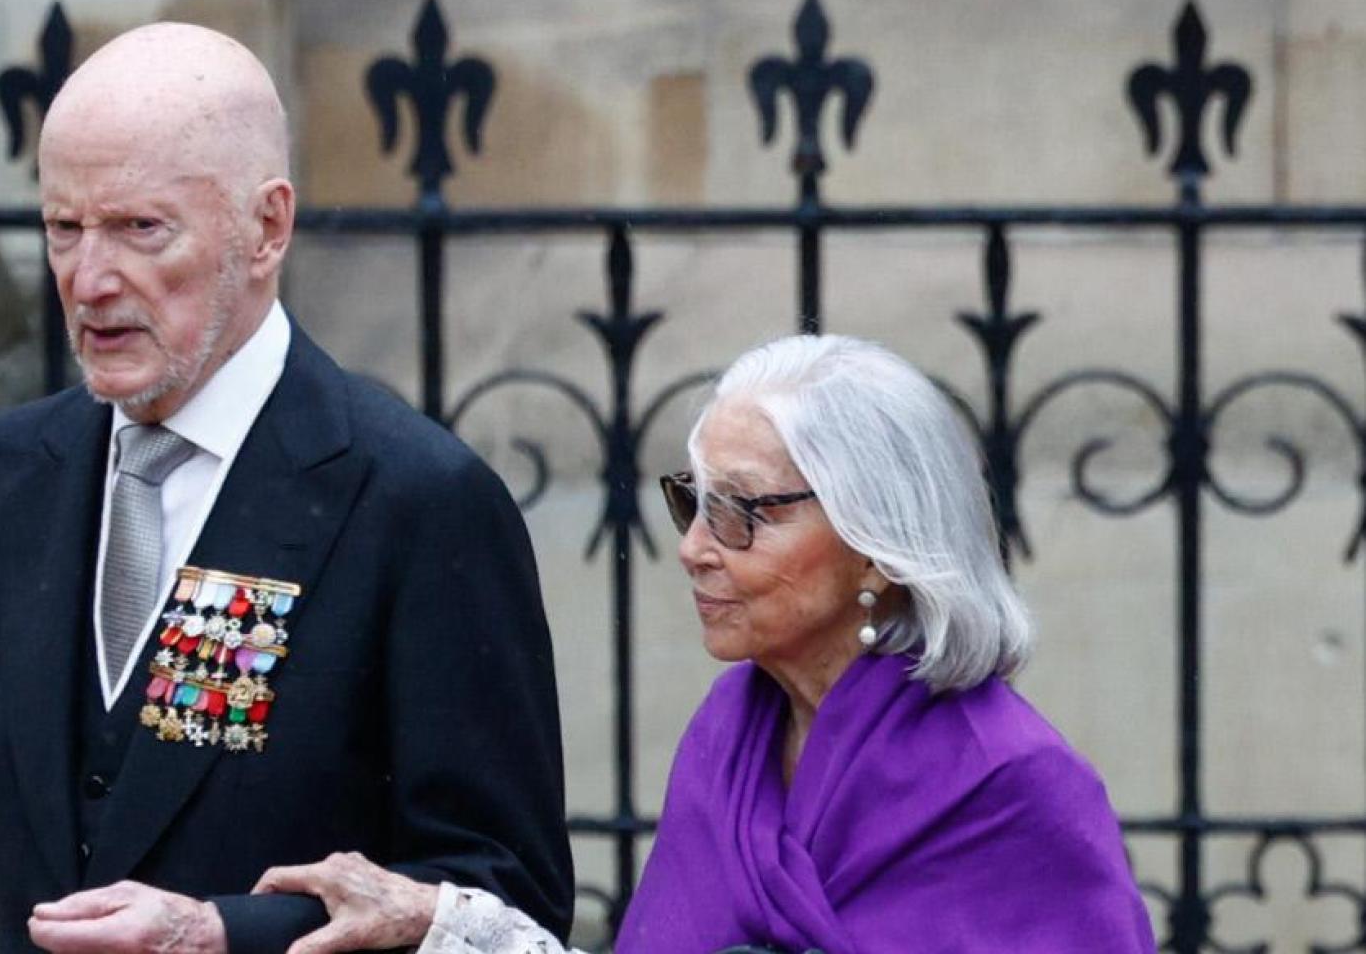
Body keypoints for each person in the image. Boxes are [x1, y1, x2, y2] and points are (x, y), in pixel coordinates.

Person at [0, 23, 572, 954]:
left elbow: (505, 908)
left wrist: (225, 931)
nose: (90, 280)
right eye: (64, 228)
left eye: (141, 228)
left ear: (266, 227)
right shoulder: (1, 476)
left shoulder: (417, 501)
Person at [254, 334, 1156, 953]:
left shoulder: (1011, 783)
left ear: (877, 543)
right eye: (694, 502)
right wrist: (437, 918)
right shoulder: (734, 732)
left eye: (742, 514)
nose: (693, 549)